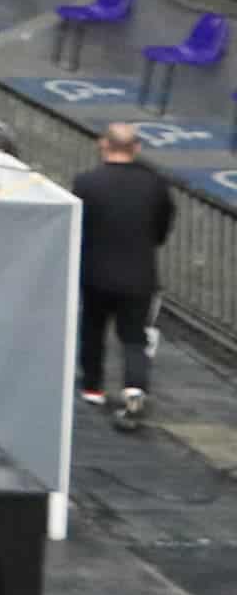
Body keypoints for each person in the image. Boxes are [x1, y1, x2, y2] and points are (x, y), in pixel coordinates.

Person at [68, 121, 178, 425]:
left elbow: (79, 226)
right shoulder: (155, 185)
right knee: (134, 337)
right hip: (139, 274)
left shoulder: (87, 182)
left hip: (95, 273)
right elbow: (162, 226)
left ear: (103, 145)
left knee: (92, 328)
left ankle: (92, 386)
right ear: (137, 148)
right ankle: (134, 389)